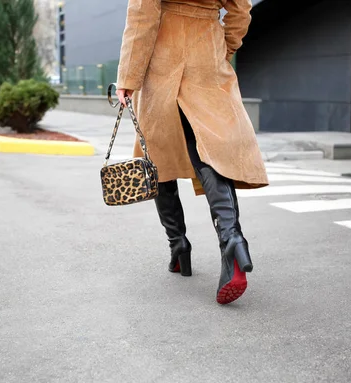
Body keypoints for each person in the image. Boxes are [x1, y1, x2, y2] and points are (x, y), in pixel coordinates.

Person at [115, 0, 269, 305]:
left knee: (157, 157)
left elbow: (143, 16)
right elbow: (240, 9)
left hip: (163, 61)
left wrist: (128, 78)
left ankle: (178, 245)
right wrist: (220, 50)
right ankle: (231, 238)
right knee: (212, 151)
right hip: (206, 57)